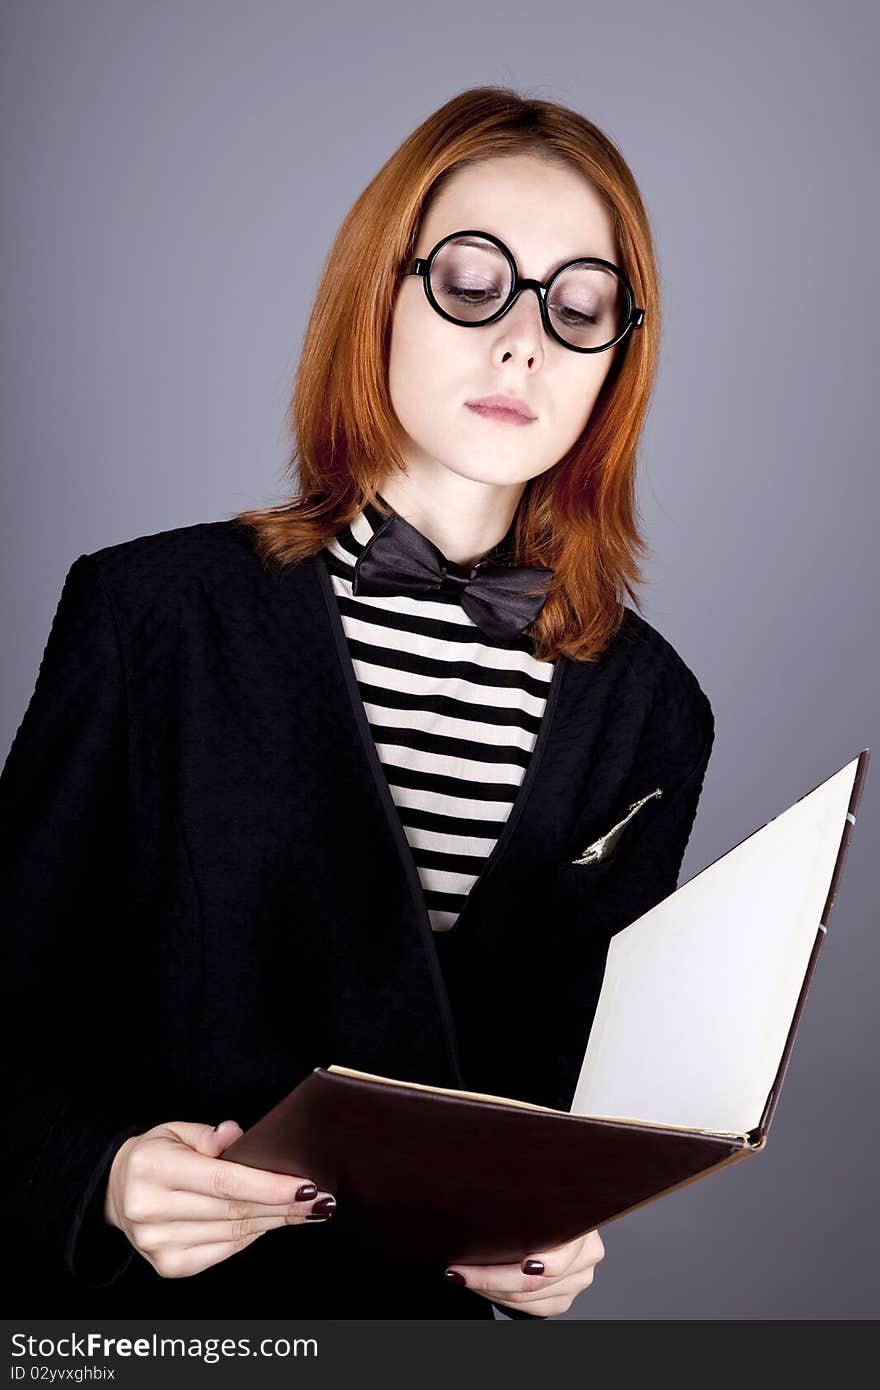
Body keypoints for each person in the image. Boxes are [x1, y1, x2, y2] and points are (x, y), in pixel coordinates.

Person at [0, 85, 714, 1319]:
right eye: (472, 282)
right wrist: (104, 1176)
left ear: (617, 355)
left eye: (578, 306)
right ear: (378, 292)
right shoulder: (148, 613)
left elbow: (548, 1103)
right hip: (144, 1336)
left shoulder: (652, 713)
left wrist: (551, 1239)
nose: (522, 344)